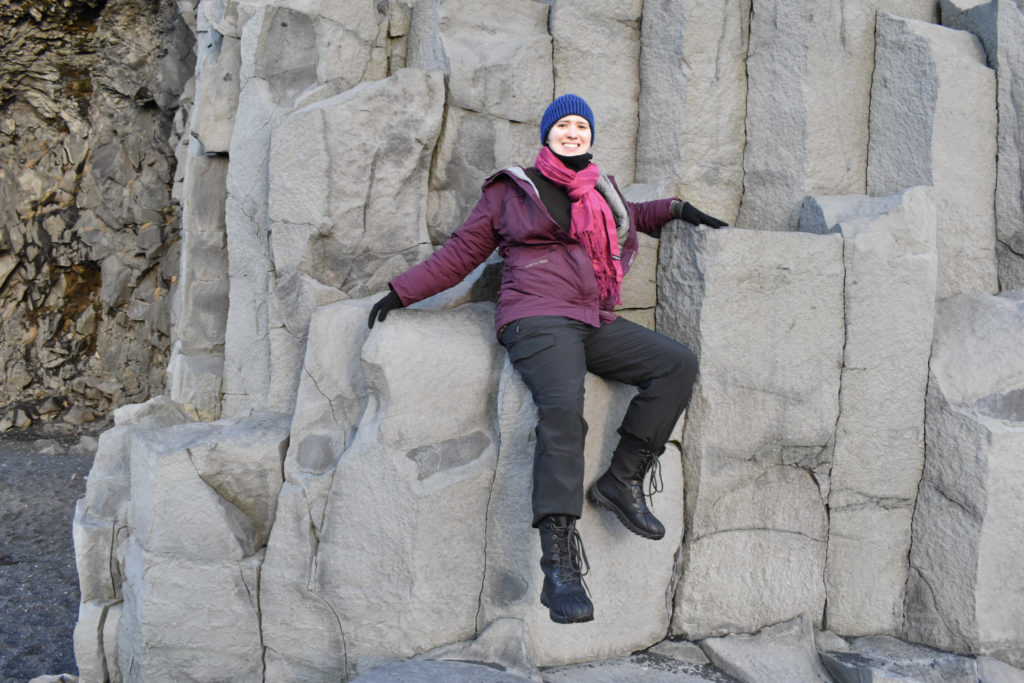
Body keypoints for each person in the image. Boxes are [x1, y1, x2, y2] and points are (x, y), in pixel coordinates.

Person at [368, 94, 726, 625]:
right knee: (563, 409)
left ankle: (621, 480)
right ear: (547, 134)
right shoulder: (511, 189)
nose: (574, 132)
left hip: (591, 317)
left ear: (591, 136)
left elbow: (626, 219)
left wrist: (673, 209)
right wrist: (402, 292)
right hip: (535, 315)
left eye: (582, 125)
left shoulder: (599, 189)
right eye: (564, 125)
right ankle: (560, 563)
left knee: (676, 363)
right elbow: (462, 252)